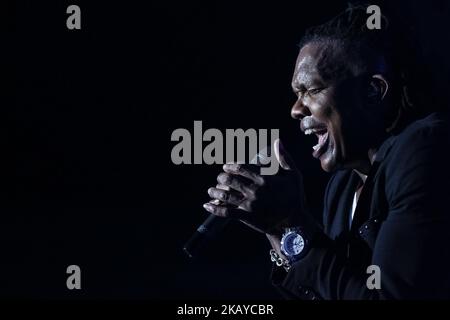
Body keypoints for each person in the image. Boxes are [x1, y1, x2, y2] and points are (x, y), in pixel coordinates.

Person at [203, 5, 450, 299]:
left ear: (373, 91)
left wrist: (293, 222)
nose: (296, 109)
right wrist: (277, 229)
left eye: (312, 90)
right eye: (297, 94)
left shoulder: (424, 150)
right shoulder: (342, 188)